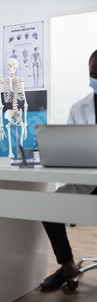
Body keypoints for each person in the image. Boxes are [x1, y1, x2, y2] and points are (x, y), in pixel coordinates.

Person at [41, 49, 97, 289]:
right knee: (49, 208)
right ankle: (68, 267)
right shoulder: (79, 107)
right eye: (94, 73)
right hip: (87, 183)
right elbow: (70, 148)